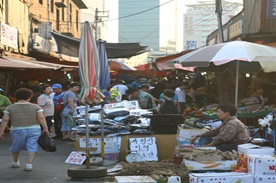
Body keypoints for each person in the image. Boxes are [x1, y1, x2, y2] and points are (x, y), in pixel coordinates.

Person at [0, 88, 49, 171]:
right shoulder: (35, 106)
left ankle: (15, 162)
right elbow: (41, 118)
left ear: (16, 97)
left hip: (17, 129)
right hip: (34, 129)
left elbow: (5, 120)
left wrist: (1, 131)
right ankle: (29, 164)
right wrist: (45, 128)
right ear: (29, 97)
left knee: (16, 145)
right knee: (32, 145)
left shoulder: (10, 107)